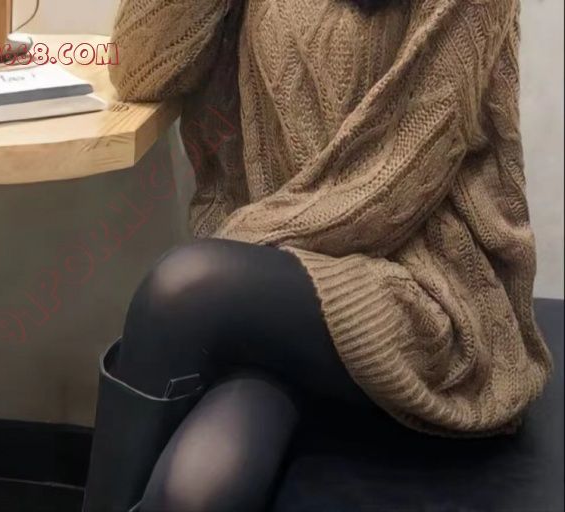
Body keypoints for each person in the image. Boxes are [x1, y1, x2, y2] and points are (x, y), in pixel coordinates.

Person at [83, 0, 553, 510]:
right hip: (281, 294)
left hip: (422, 290)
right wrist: (253, 275)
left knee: (183, 288)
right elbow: (141, 71)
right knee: (191, 493)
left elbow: (395, 181)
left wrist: (238, 257)